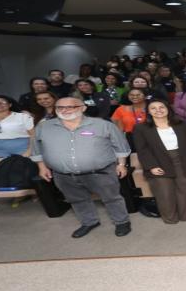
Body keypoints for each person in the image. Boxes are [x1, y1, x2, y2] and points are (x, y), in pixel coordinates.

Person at [32, 97, 132, 238]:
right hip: (63, 174)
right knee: (77, 199)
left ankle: (122, 222)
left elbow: (120, 146)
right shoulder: (44, 127)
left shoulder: (102, 125)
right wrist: (42, 167)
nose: (64, 110)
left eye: (70, 107)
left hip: (101, 172)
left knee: (112, 198)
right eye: (60, 107)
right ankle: (89, 221)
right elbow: (37, 150)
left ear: (83, 108)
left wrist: (121, 164)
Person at [133, 100, 186, 224]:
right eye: (153, 108)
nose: (158, 110)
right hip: (158, 161)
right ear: (148, 111)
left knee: (185, 190)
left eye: (162, 107)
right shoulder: (141, 128)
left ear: (168, 108)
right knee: (165, 193)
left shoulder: (181, 124)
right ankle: (170, 218)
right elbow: (142, 149)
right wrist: (151, 166)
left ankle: (185, 216)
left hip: (183, 160)